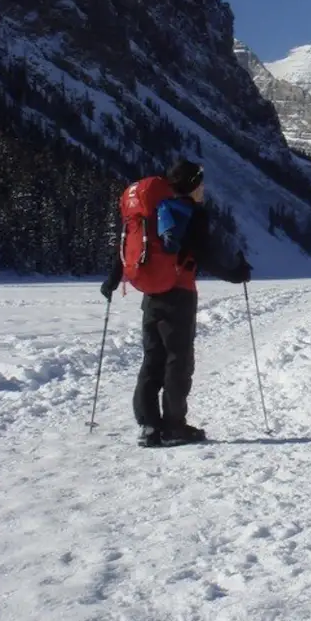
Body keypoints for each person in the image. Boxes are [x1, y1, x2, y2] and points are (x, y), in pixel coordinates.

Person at [100, 159, 252, 447]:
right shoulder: (191, 214)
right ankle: (174, 427)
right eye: (201, 183)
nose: (204, 189)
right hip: (179, 294)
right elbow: (204, 255)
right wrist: (236, 274)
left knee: (152, 359)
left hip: (151, 294)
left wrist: (111, 280)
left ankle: (148, 425)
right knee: (178, 362)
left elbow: (127, 246)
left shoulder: (153, 212)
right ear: (193, 185)